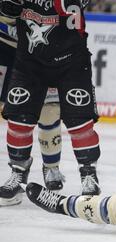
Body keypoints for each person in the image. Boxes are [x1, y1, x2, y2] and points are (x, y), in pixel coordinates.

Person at [0, 0, 102, 205]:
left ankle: (88, 175)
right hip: (29, 60)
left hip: (71, 61)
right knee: (19, 120)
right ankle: (18, 174)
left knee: (80, 123)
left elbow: (74, 5)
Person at [0, 15, 65, 206]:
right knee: (17, 112)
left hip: (43, 48)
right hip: (5, 46)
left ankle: (51, 167)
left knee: (50, 110)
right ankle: (18, 172)